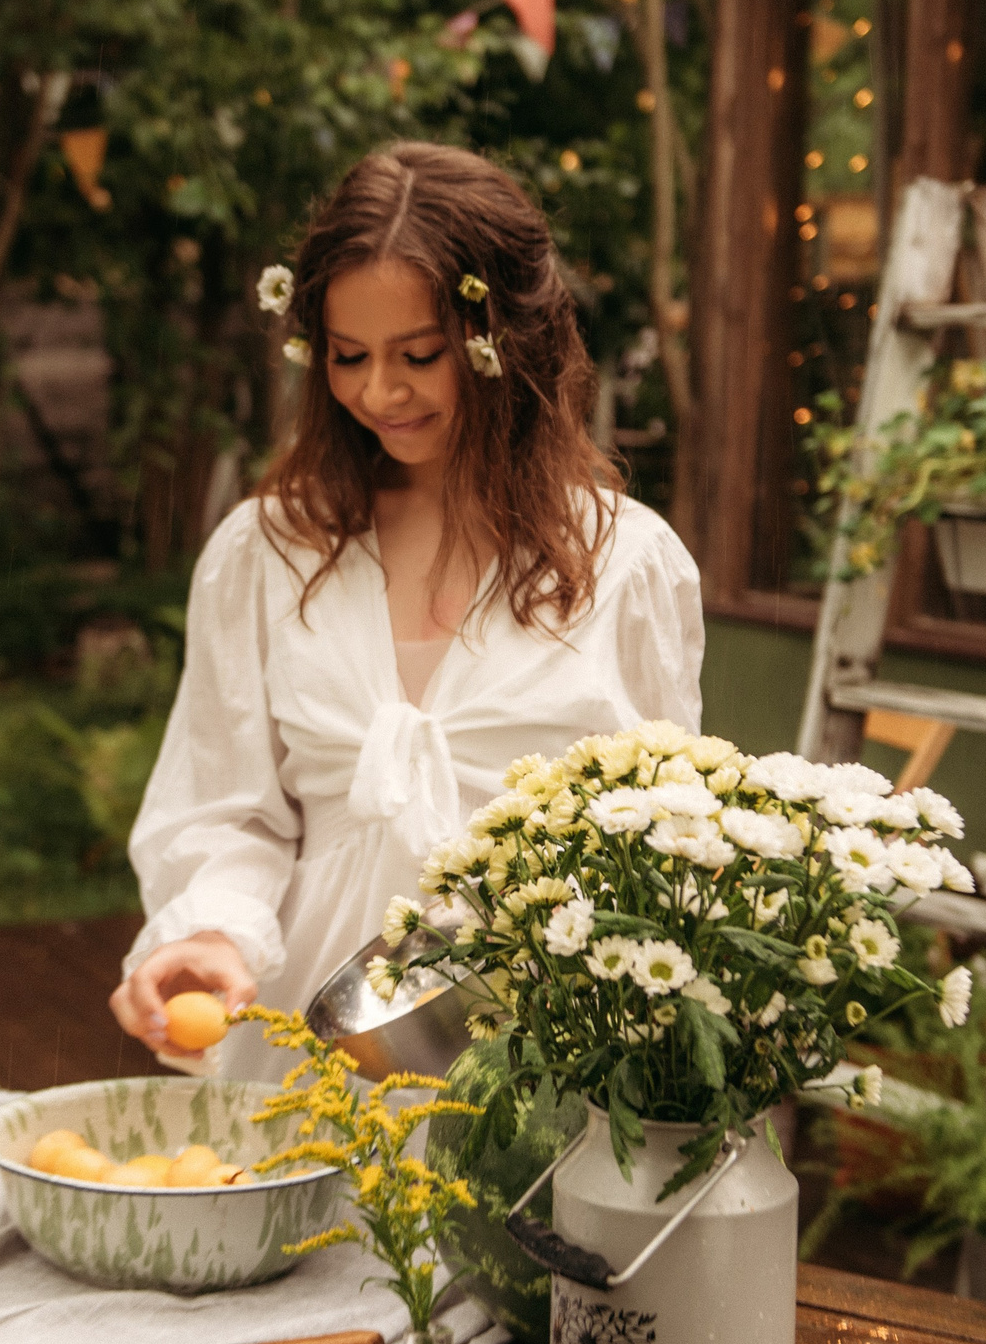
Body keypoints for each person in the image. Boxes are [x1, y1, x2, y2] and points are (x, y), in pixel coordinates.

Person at [110, 142, 704, 1083]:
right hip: (302, 1049)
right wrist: (211, 932)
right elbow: (226, 808)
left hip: (543, 1069)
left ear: (504, 341)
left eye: (419, 356)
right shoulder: (270, 551)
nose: (379, 393)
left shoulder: (625, 564)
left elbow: (662, 840)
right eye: (348, 357)